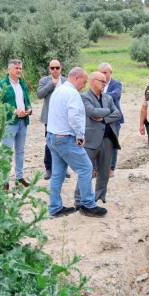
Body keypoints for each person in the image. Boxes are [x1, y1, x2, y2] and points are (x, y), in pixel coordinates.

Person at [46, 67, 107, 217]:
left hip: (52, 136)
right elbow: (74, 117)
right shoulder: (72, 94)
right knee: (86, 168)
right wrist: (80, 135)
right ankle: (87, 204)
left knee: (58, 174)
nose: (84, 86)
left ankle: (55, 207)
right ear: (76, 78)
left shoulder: (58, 90)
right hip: (65, 138)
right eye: (84, 82)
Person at [75, 71, 121, 206]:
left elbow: (118, 113)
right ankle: (79, 200)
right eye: (102, 81)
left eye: (105, 81)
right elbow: (91, 112)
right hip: (90, 140)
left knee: (104, 171)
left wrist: (104, 118)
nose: (104, 84)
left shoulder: (108, 98)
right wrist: (108, 111)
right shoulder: (84, 97)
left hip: (107, 139)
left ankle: (99, 196)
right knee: (86, 171)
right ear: (93, 81)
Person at [0, 58, 32, 190]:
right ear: (9, 69)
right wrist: (14, 111)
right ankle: (4, 180)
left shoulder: (22, 83)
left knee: (20, 151)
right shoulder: (1, 85)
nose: (19, 70)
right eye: (16, 68)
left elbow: (27, 99)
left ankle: (19, 178)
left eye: (20, 68)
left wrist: (29, 108)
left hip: (23, 121)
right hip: (9, 122)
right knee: (6, 151)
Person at [36, 59, 69, 180]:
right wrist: (52, 84)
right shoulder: (44, 80)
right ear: (49, 69)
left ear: (61, 68)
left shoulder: (66, 81)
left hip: (64, 118)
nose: (55, 70)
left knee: (64, 143)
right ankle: (49, 168)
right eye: (52, 68)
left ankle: (63, 169)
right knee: (50, 143)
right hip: (50, 118)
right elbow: (39, 95)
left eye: (57, 67)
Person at [99, 62, 123, 177]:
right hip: (100, 119)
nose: (102, 75)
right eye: (101, 72)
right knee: (99, 143)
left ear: (110, 73)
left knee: (113, 144)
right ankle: (100, 168)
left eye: (105, 72)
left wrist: (100, 95)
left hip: (114, 119)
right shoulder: (98, 83)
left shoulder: (116, 83)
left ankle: (111, 168)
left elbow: (115, 95)